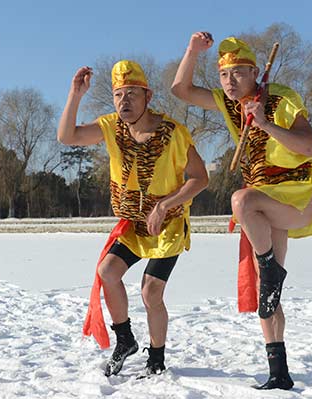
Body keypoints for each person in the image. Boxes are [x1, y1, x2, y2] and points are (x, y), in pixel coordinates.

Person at [171, 33, 312, 390]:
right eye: (224, 75)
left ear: (256, 73)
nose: (230, 82)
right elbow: (181, 90)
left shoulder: (279, 99)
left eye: (238, 74)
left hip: (295, 196)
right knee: (268, 292)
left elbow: (308, 147)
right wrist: (193, 51)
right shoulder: (229, 104)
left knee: (240, 201)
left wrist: (265, 124)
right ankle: (279, 370)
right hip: (266, 202)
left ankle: (271, 270)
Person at [57, 60, 208, 377]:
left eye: (131, 95)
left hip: (166, 225)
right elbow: (67, 137)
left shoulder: (173, 133)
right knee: (107, 271)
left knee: (151, 291)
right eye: (118, 95)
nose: (124, 102)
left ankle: (157, 358)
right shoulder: (111, 127)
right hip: (134, 225)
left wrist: (166, 205)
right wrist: (75, 94)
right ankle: (124, 340)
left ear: (148, 96)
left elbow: (200, 178)